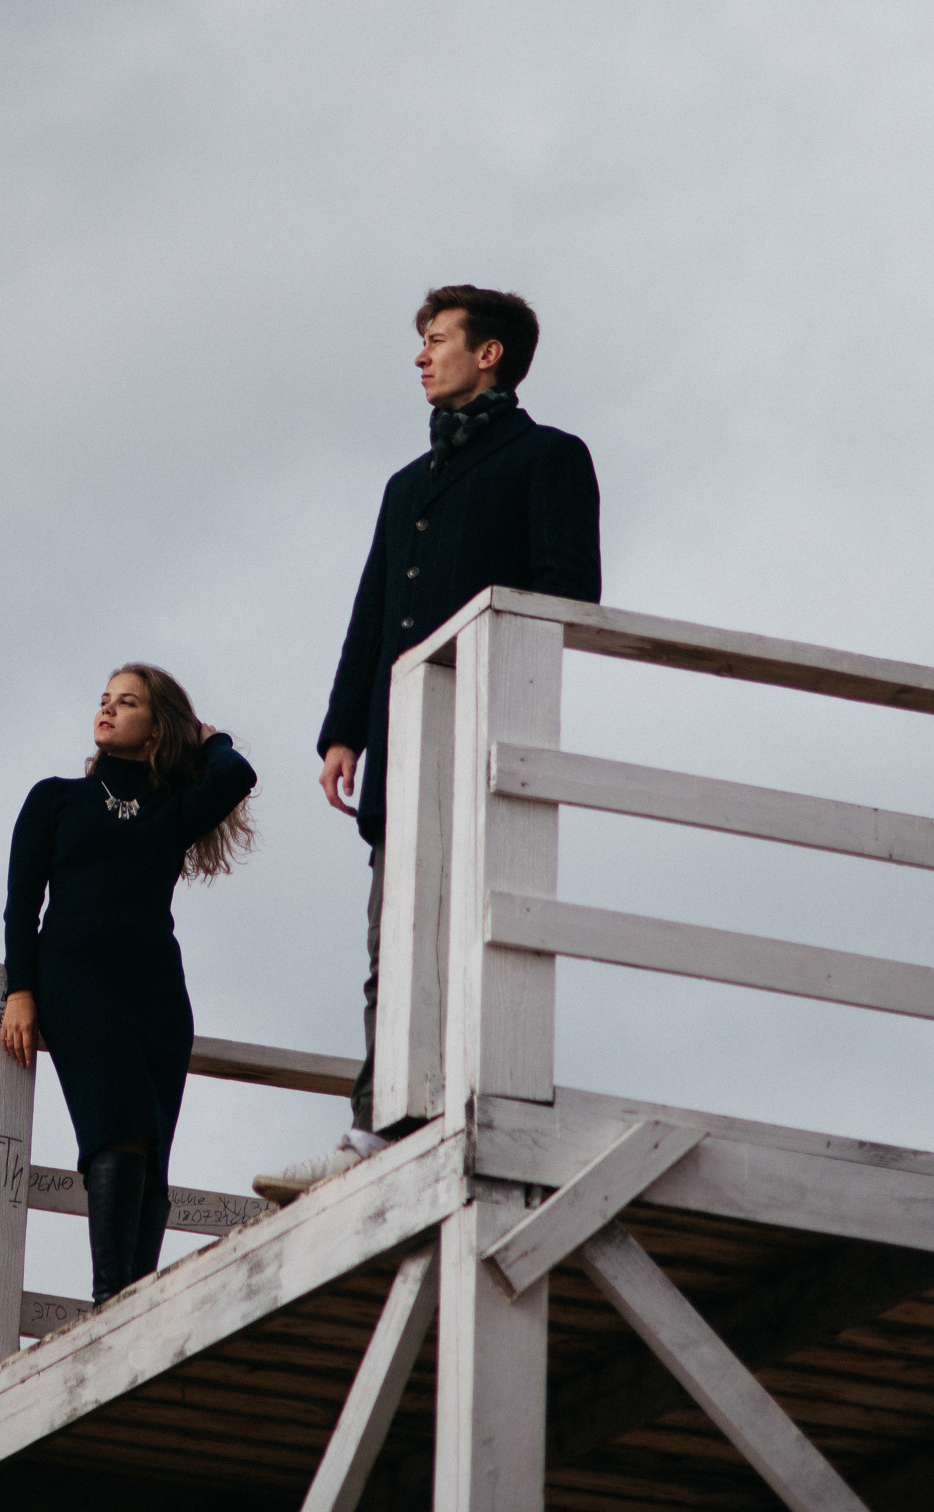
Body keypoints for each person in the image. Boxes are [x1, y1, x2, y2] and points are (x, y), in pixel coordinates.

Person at [254, 285, 600, 1201]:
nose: (420, 355)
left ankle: (453, 1118)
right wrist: (340, 730)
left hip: (492, 738)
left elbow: (570, 598)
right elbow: (373, 612)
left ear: (488, 354)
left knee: (477, 942)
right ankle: (378, 1126)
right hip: (396, 746)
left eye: (437, 340)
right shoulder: (405, 483)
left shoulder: (549, 457)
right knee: (391, 945)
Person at [1, 664, 256, 1305]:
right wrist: (21, 991)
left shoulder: (172, 809)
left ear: (156, 728)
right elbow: (20, 908)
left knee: (151, 1153)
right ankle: (111, 1301)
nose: (107, 710)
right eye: (104, 700)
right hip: (76, 981)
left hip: (157, 997)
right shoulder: (55, 798)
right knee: (118, 1127)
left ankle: (133, 1308)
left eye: (128, 702)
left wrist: (207, 736)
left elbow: (236, 775)